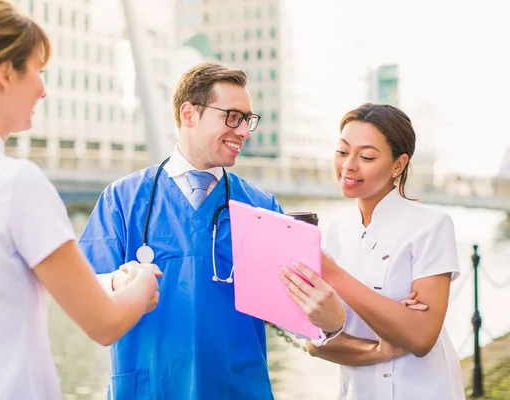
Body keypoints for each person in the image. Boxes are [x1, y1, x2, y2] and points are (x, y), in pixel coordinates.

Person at [0, 1, 160, 399]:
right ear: (6, 72)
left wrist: (112, 280)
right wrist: (143, 282)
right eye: (38, 71)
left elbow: (1, 282)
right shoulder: (15, 183)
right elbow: (104, 323)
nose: (43, 90)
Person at [78, 61, 346, 400]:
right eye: (232, 117)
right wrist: (118, 280)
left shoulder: (261, 208)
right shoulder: (123, 199)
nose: (245, 131)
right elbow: (84, 290)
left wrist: (330, 322)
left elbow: (298, 313)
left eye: (248, 120)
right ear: (189, 114)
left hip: (234, 388)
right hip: (150, 388)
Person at [281, 103, 465, 399]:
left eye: (366, 156)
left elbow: (420, 337)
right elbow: (315, 342)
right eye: (342, 152)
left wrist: (334, 275)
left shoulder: (431, 226)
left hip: (423, 389)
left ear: (398, 164)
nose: (349, 165)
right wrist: (381, 348)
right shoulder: (337, 232)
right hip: (358, 390)